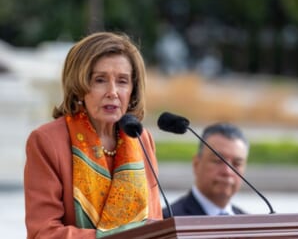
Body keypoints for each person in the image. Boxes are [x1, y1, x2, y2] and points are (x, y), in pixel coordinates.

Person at [24, 32, 162, 238]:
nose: (113, 92)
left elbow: (155, 220)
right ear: (79, 86)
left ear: (133, 91)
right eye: (100, 80)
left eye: (123, 81)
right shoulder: (47, 141)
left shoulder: (141, 138)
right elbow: (42, 232)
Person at [162, 123, 249, 218]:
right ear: (196, 164)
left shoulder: (251, 225)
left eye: (237, 163)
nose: (227, 171)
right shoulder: (168, 222)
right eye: (218, 161)